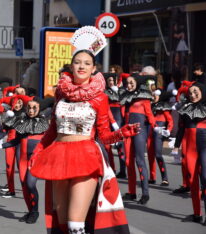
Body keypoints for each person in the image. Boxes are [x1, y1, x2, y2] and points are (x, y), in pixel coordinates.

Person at [29, 48, 139, 233]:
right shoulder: (61, 94)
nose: (82, 66)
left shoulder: (100, 97)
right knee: (60, 221)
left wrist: (121, 133)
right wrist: (38, 150)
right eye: (78, 62)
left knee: (75, 223)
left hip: (85, 157)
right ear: (71, 66)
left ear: (93, 68)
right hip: (59, 155)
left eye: (87, 63)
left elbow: (103, 136)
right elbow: (52, 130)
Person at [120, 74, 156, 205]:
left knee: (140, 161)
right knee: (128, 161)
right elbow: (123, 118)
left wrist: (156, 127)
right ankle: (132, 192)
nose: (128, 86)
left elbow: (150, 115)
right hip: (127, 132)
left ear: (137, 83)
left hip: (140, 132)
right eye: (127, 83)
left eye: (131, 83)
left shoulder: (144, 98)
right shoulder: (125, 98)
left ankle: (145, 193)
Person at [174, 82, 206, 224]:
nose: (192, 95)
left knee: (205, 178)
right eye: (190, 93)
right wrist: (176, 146)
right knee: (193, 180)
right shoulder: (185, 108)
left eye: (195, 92)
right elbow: (181, 129)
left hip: (204, 146)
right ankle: (196, 213)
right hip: (190, 149)